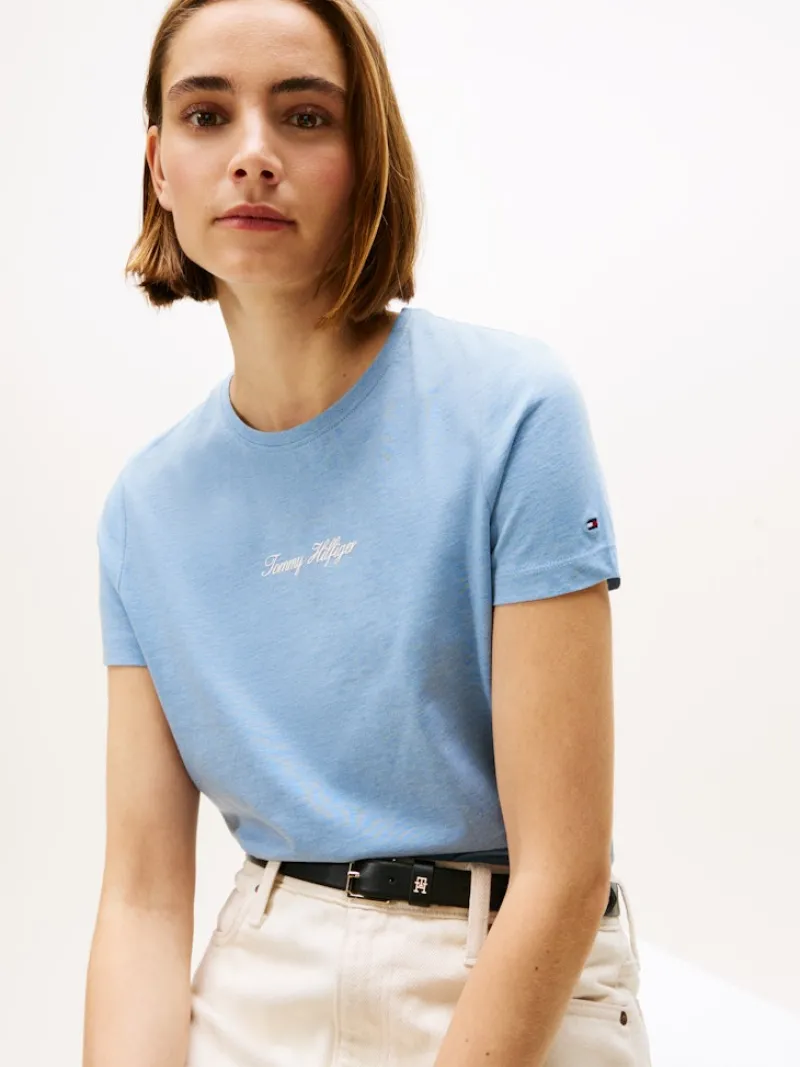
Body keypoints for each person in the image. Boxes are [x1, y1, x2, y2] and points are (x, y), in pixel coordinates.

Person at [84, 1, 654, 1065]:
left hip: (507, 969)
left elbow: (563, 871)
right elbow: (144, 899)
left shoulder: (512, 411)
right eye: (207, 115)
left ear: (367, 158)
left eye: (304, 116)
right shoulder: (144, 511)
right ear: (159, 166)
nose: (253, 154)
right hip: (262, 975)